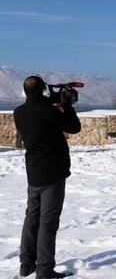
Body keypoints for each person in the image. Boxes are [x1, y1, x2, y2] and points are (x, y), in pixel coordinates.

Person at [13, 76, 81, 279]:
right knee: (48, 223)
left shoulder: (19, 112)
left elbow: (38, 111)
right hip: (53, 174)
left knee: (31, 218)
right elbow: (74, 127)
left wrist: (54, 101)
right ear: (43, 90)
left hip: (33, 174)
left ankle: (26, 264)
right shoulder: (49, 111)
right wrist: (67, 103)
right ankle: (44, 270)